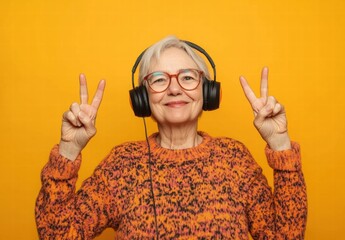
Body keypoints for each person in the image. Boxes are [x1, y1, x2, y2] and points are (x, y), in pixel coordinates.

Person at [35, 35, 307, 239]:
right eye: (159, 79)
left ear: (207, 92)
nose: (174, 89)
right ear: (141, 98)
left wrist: (280, 147)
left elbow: (286, 236)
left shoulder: (234, 158)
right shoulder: (122, 164)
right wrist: (67, 153)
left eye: (188, 77)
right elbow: (56, 235)